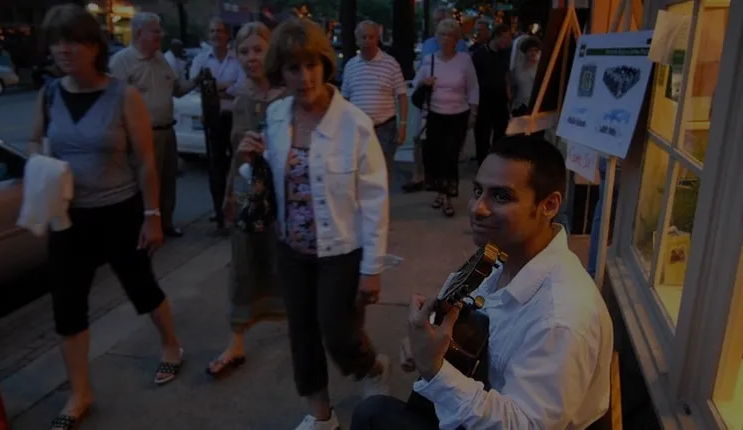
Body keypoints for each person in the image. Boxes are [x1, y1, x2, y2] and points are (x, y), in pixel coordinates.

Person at [351, 135, 615, 430]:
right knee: (374, 413)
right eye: (478, 191)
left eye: (501, 196)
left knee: (371, 414)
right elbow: (461, 327)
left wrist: (435, 370)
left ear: (549, 205)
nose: (478, 207)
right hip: (480, 400)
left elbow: (525, 425)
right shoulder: (496, 259)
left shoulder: (561, 318)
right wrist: (427, 340)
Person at [30, 5, 184, 430]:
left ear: (94, 47)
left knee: (142, 288)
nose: (64, 49)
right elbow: (35, 141)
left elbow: (146, 161)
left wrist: (152, 216)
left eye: (74, 41)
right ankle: (80, 392)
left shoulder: (122, 96)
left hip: (119, 210)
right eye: (57, 42)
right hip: (68, 217)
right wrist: (42, 167)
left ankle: (171, 344)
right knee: (67, 305)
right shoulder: (49, 94)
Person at [237, 18, 391, 430]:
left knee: (338, 333)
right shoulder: (275, 116)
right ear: (280, 71)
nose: (304, 77)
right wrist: (249, 162)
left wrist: (372, 268)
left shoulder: (354, 123)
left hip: (341, 250)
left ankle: (372, 367)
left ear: (325, 65)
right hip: (291, 249)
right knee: (301, 335)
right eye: (293, 68)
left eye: (311, 65)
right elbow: (268, 182)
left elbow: (375, 198)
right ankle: (321, 414)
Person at [205, 21, 289, 377]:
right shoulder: (240, 99)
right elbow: (234, 155)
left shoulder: (290, 96)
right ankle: (236, 341)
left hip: (285, 194)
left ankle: (301, 323)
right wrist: (229, 195)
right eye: (243, 51)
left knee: (287, 261)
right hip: (247, 193)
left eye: (258, 49)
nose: (251, 57)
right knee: (243, 263)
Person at [109, 12, 202, 238]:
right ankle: (142, 226)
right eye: (155, 31)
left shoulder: (161, 59)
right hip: (141, 135)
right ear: (139, 33)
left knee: (168, 181)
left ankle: (166, 223)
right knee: (144, 183)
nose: (161, 35)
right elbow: (112, 104)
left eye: (160, 30)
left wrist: (197, 80)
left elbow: (177, 90)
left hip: (167, 131)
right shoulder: (122, 62)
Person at [412, 18, 479, 218]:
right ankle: (440, 193)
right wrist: (424, 81)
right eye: (442, 34)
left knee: (451, 156)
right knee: (436, 157)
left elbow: (473, 87)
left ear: (456, 39)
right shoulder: (429, 59)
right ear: (436, 37)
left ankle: (448, 197)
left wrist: (474, 112)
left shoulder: (464, 60)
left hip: (458, 115)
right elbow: (415, 84)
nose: (445, 38)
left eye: (450, 35)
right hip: (435, 115)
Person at [402, 7, 468, 194]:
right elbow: (420, 73)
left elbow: (466, 79)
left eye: (442, 20)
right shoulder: (428, 44)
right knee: (420, 140)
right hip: (428, 104)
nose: (444, 36)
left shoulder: (461, 49)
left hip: (453, 107)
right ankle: (419, 175)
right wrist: (423, 82)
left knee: (446, 148)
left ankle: (444, 184)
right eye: (437, 22)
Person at [190, 18, 246, 230]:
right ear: (208, 35)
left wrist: (213, 87)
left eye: (220, 31)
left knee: (238, 163)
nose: (216, 34)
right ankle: (219, 211)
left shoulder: (237, 59)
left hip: (234, 118)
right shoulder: (201, 59)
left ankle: (239, 208)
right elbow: (198, 86)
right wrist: (225, 87)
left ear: (227, 35)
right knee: (216, 167)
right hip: (212, 118)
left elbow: (241, 87)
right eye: (212, 31)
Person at [341, 20, 408, 182]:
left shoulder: (391, 64)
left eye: (371, 37)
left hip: (385, 127)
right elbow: (344, 99)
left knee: (383, 171)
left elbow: (402, 95)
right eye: (363, 37)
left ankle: (383, 198)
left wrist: (403, 126)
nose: (367, 41)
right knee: (359, 171)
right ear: (357, 40)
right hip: (358, 128)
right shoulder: (350, 66)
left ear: (378, 38)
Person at [471, 24, 513, 167]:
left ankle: (496, 160)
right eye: (505, 38)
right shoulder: (479, 54)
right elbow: (472, 80)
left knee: (501, 132)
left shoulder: (505, 54)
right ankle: (482, 164)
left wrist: (508, 93)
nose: (507, 42)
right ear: (496, 36)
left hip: (500, 100)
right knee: (482, 134)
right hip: (483, 101)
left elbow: (506, 74)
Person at [510, 36, 541, 116]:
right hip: (519, 105)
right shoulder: (518, 68)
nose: (533, 53)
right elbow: (513, 87)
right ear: (525, 51)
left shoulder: (540, 67)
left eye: (535, 50)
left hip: (534, 105)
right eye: (531, 50)